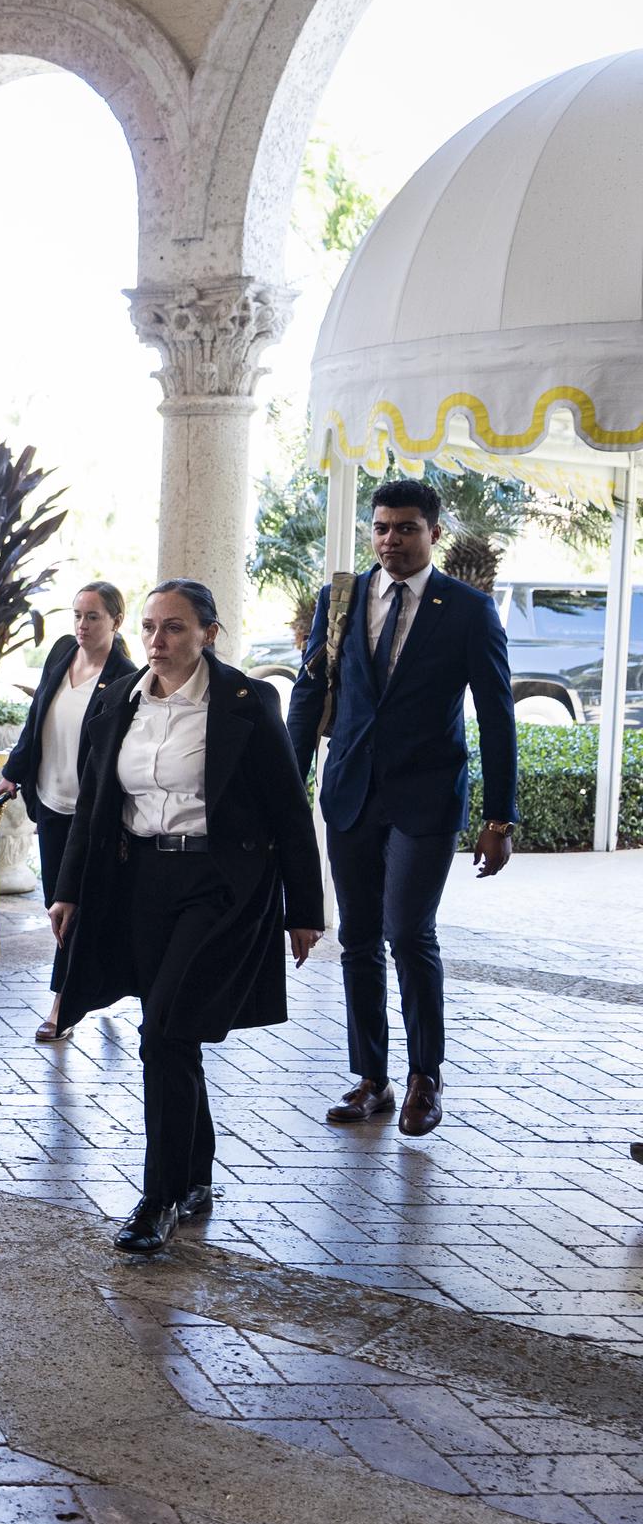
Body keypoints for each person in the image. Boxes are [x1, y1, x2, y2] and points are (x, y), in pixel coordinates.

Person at [50, 581, 323, 1256]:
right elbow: (94, 805)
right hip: (139, 882)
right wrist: (68, 890)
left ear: (208, 633)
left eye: (173, 627)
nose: (157, 640)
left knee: (164, 1029)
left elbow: (290, 810)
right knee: (174, 1034)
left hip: (218, 885)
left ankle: (160, 1196)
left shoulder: (246, 700)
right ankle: (196, 1175)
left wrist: (305, 910)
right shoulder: (119, 698)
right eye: (149, 627)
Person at [285, 477, 517, 1138]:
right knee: (358, 937)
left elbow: (497, 715)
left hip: (427, 797)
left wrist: (499, 818)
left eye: (406, 528)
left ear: (433, 533)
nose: (391, 540)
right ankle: (371, 1078)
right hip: (351, 790)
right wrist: (288, 788)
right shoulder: (340, 599)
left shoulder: (468, 610)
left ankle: (425, 1077)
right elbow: (310, 695)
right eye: (382, 527)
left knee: (409, 933)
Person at [0, 581, 136, 1040]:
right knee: (58, 903)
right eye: (77, 615)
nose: (82, 625)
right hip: (51, 804)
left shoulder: (126, 676)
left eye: (93, 616)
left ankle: (62, 1005)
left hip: (91, 814)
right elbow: (36, 718)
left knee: (74, 909)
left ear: (116, 621)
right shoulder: (61, 653)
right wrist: (13, 773)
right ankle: (99, 986)